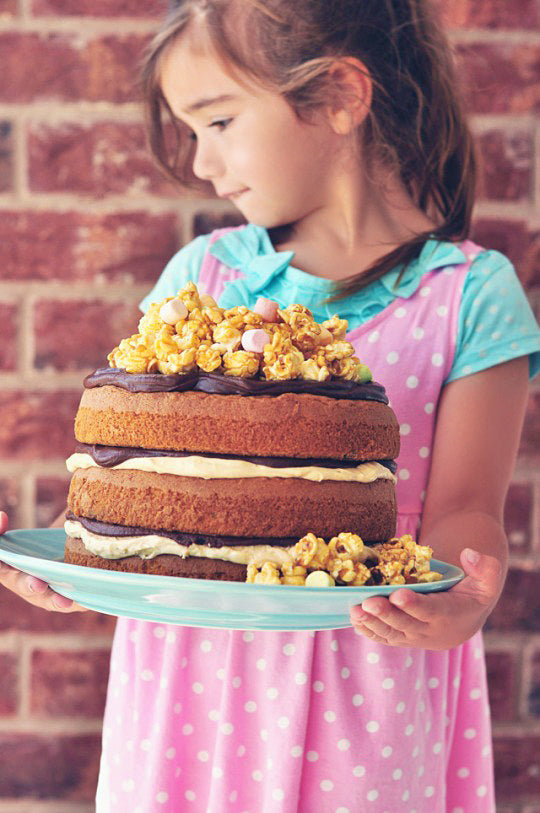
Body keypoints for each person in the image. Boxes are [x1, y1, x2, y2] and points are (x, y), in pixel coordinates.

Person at [1, 1, 540, 810]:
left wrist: (463, 597)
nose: (204, 162)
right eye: (191, 130)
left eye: (218, 120)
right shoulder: (203, 277)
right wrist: (93, 559)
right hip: (189, 677)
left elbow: (465, 507)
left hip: (372, 672)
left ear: (337, 98)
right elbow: (142, 459)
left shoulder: (469, 296)